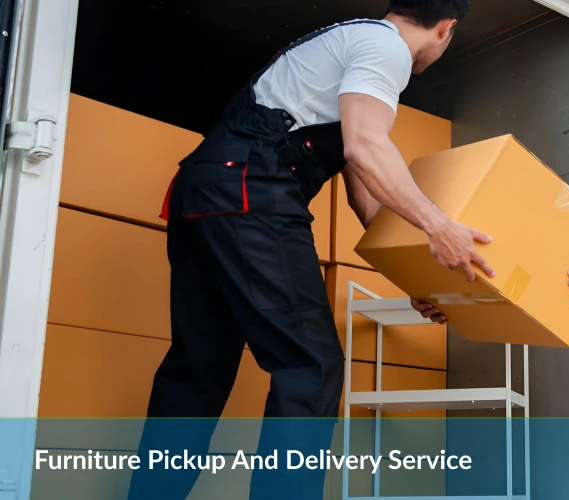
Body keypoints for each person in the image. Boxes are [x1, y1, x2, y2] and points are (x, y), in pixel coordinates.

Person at [128, 1, 484, 498]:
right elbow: (366, 147)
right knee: (310, 367)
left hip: (207, 192)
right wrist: (440, 225)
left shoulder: (346, 48)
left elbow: (367, 193)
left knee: (198, 369)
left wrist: (420, 283)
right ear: (446, 29)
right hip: (251, 191)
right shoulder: (386, 50)